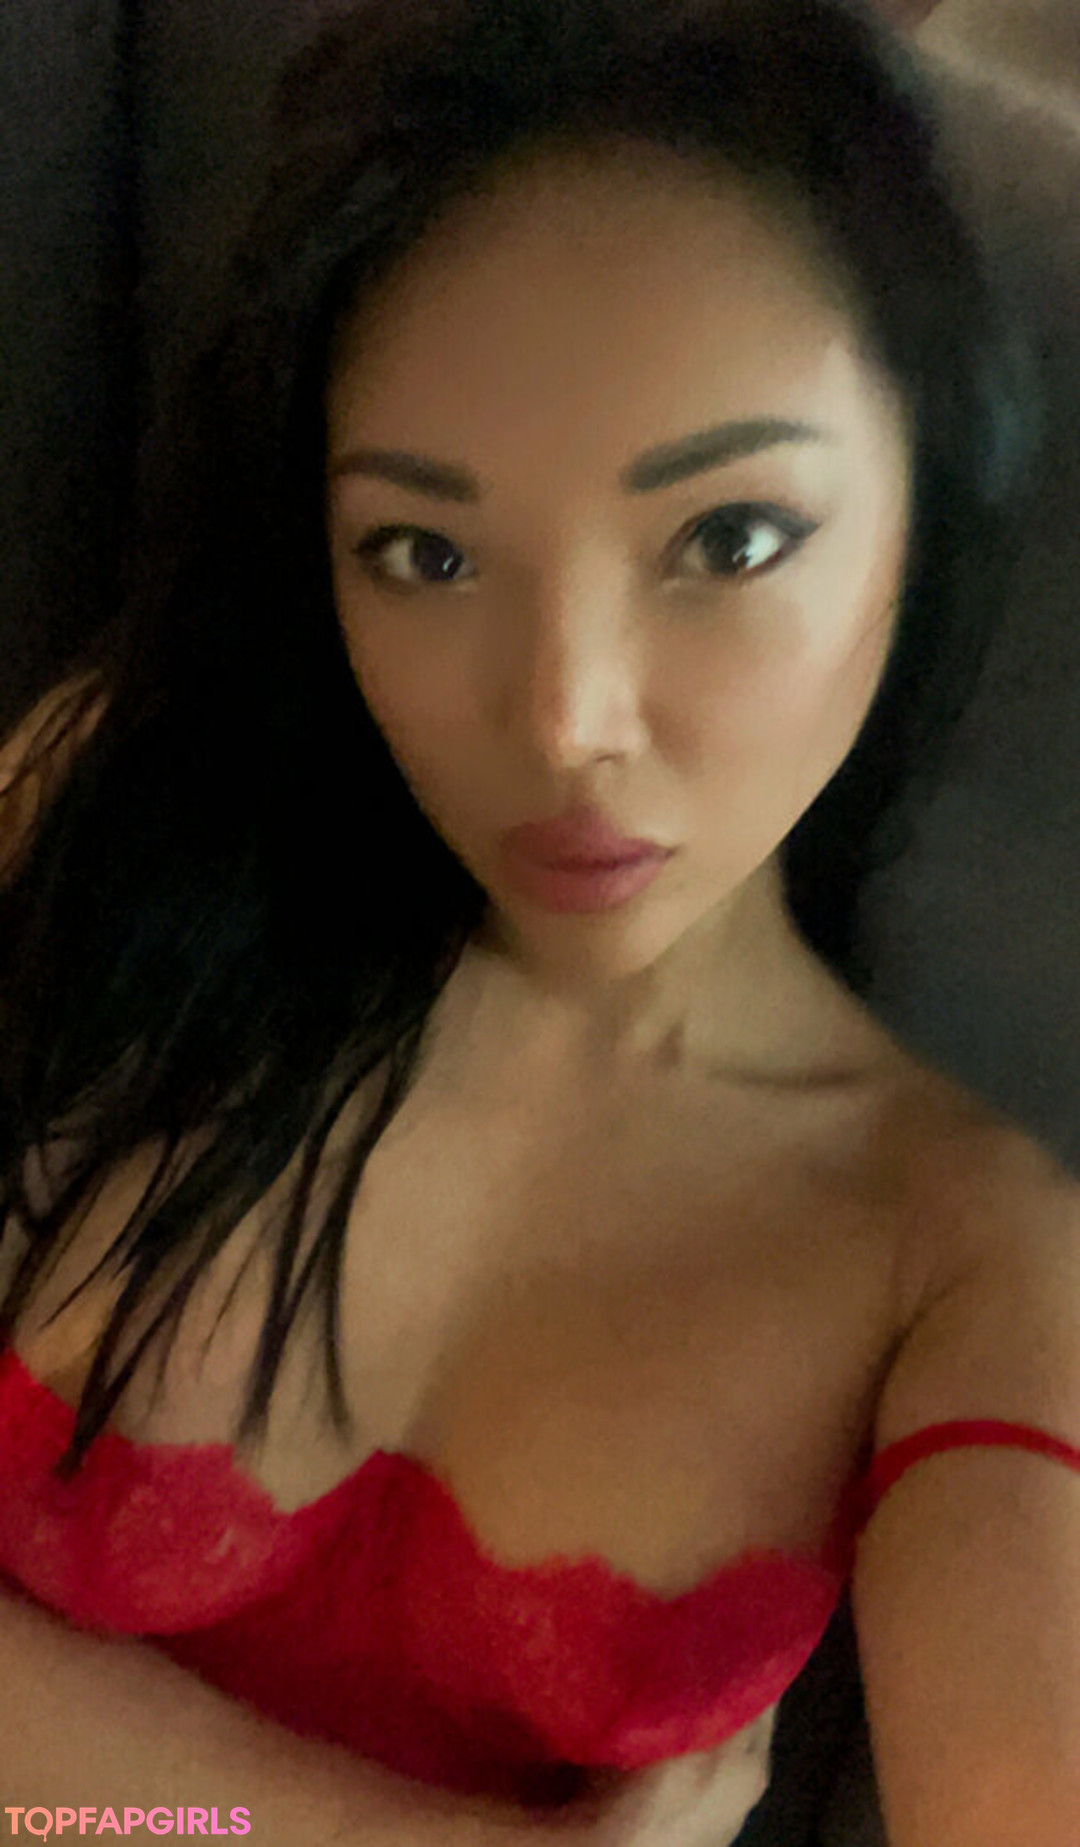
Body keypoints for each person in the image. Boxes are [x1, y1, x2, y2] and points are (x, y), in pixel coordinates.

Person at [0, 3, 1078, 1843]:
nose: (566, 718)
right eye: (424, 553)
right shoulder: (109, 818)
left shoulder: (959, 1263)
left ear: (924, 512)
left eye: (729, 540)